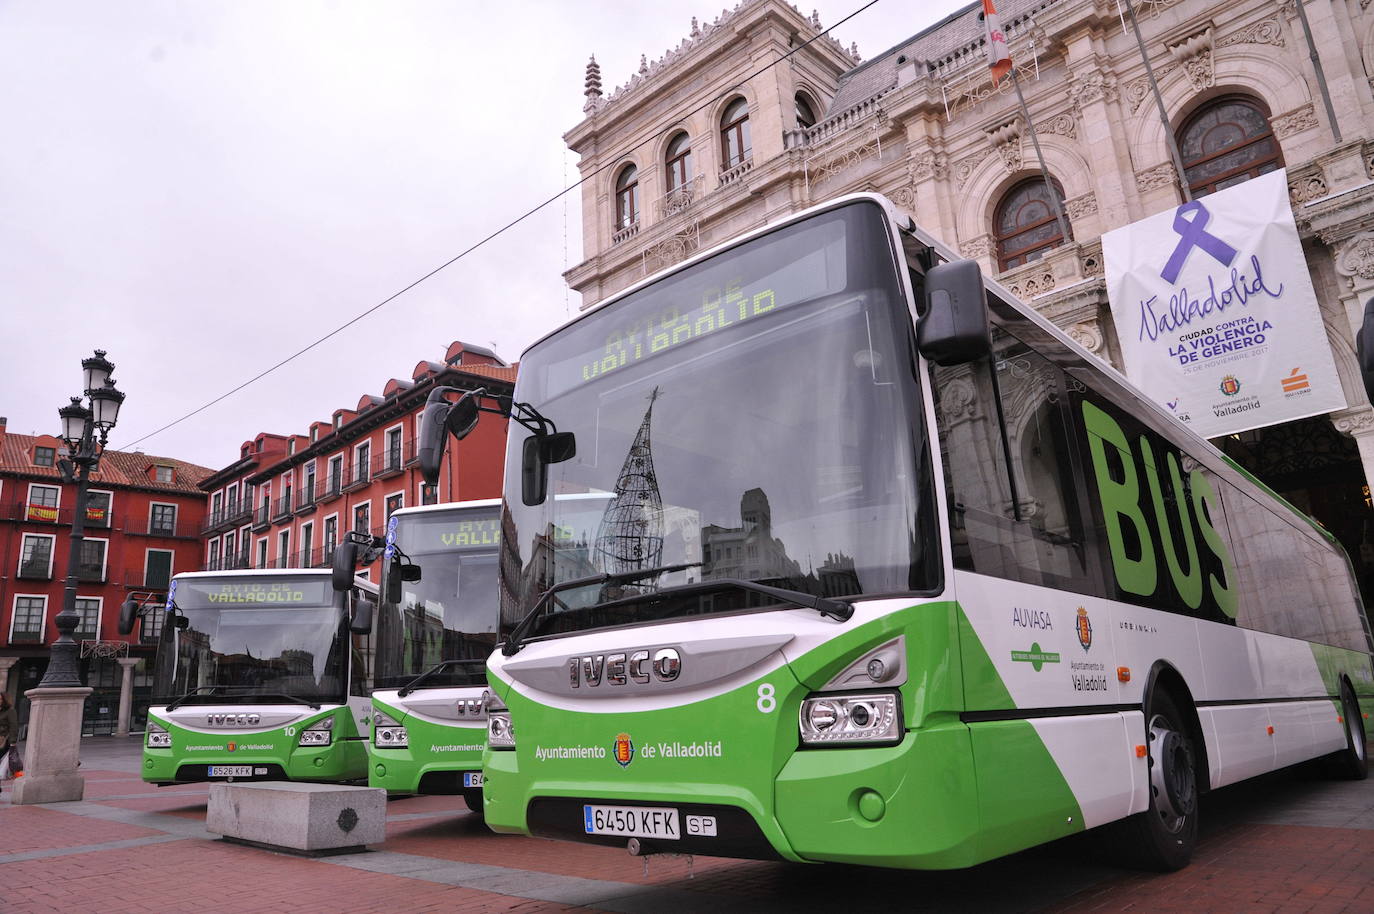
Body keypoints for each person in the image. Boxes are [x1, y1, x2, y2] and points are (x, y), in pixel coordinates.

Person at [0, 692, 18, 790]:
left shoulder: (10, 711)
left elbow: (14, 727)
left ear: (5, 700)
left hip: (3, 740)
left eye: (1, 699)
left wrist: (13, 742)